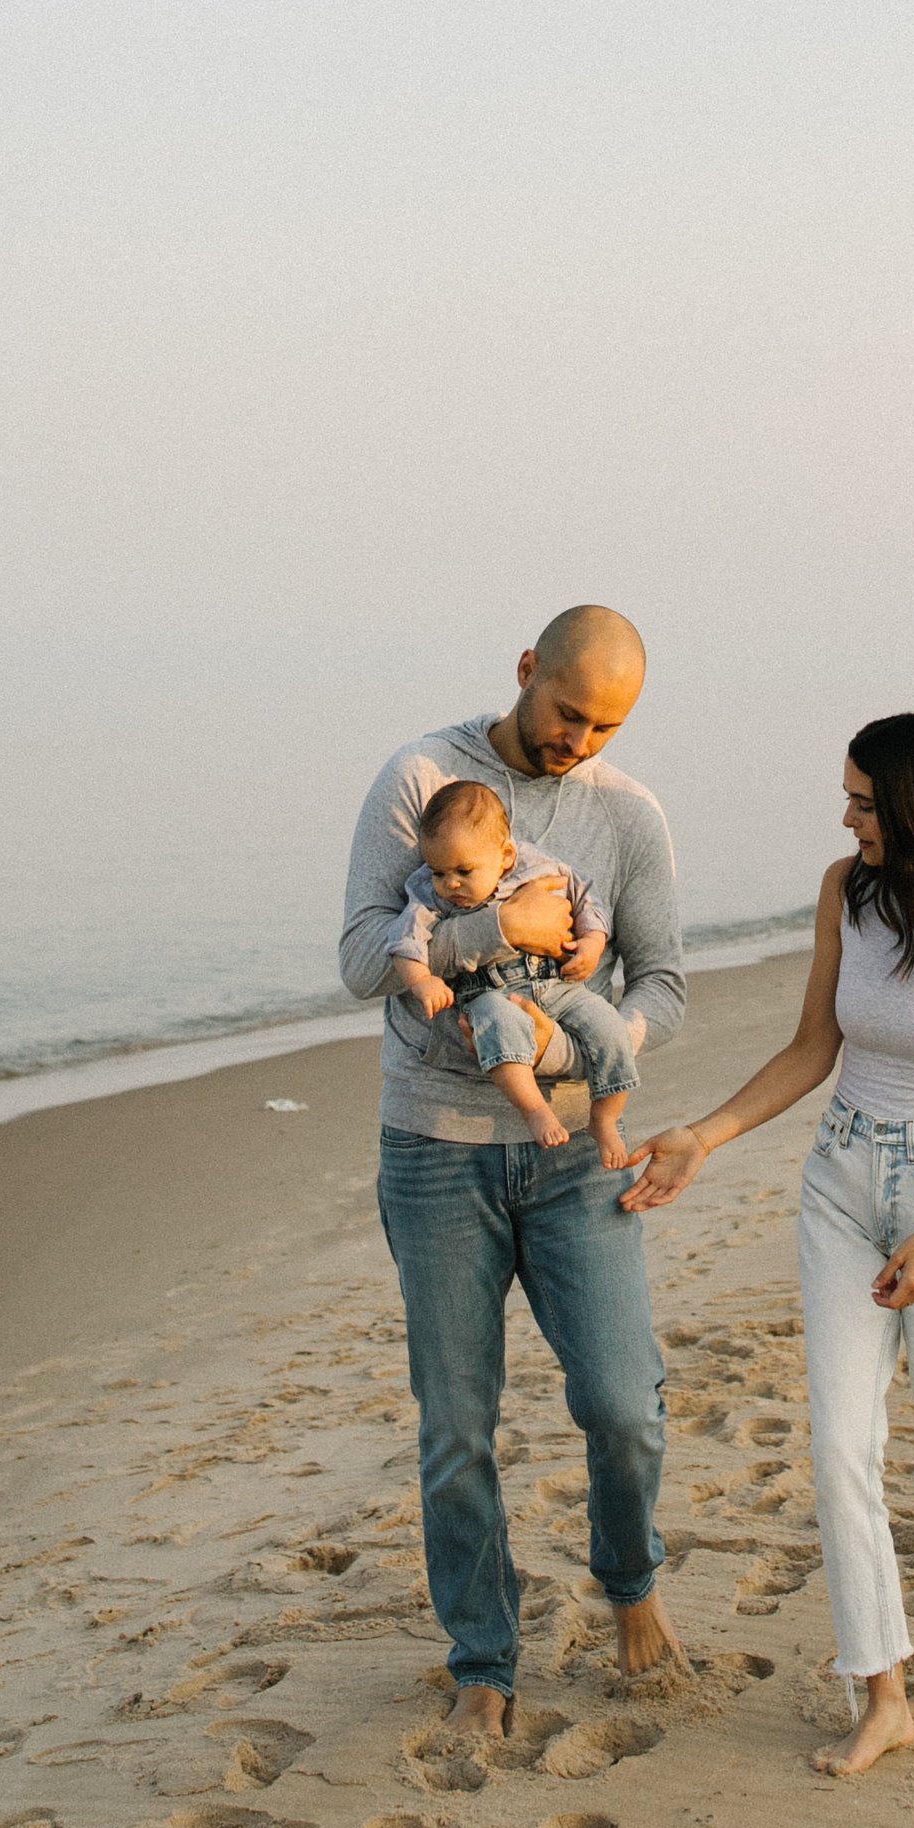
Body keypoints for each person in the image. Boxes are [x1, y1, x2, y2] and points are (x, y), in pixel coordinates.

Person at [622, 710, 914, 1777]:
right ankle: (882, 1692)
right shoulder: (844, 892)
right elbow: (814, 1045)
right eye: (847, 799)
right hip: (843, 1181)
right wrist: (704, 1138)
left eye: (864, 803)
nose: (847, 817)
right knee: (840, 1448)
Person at [340, 607, 686, 1741]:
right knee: (455, 1427)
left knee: (623, 1407)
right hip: (435, 1154)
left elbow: (664, 986)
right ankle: (482, 1658)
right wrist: (487, 927)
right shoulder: (422, 777)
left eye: (605, 725)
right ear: (525, 671)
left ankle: (629, 1585)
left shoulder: (629, 818)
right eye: (565, 713)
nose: (579, 741)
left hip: (576, 1153)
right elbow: (358, 963)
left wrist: (578, 1046)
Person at [389, 780, 641, 1163]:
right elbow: (405, 941)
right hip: (487, 993)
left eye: (463, 870)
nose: (450, 884)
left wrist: (592, 942)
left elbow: (585, 897)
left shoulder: (536, 866)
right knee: (498, 1026)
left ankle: (605, 1117)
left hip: (557, 985)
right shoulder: (429, 893)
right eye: (439, 872)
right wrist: (421, 979)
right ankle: (535, 1109)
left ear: (505, 856)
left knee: (609, 1026)